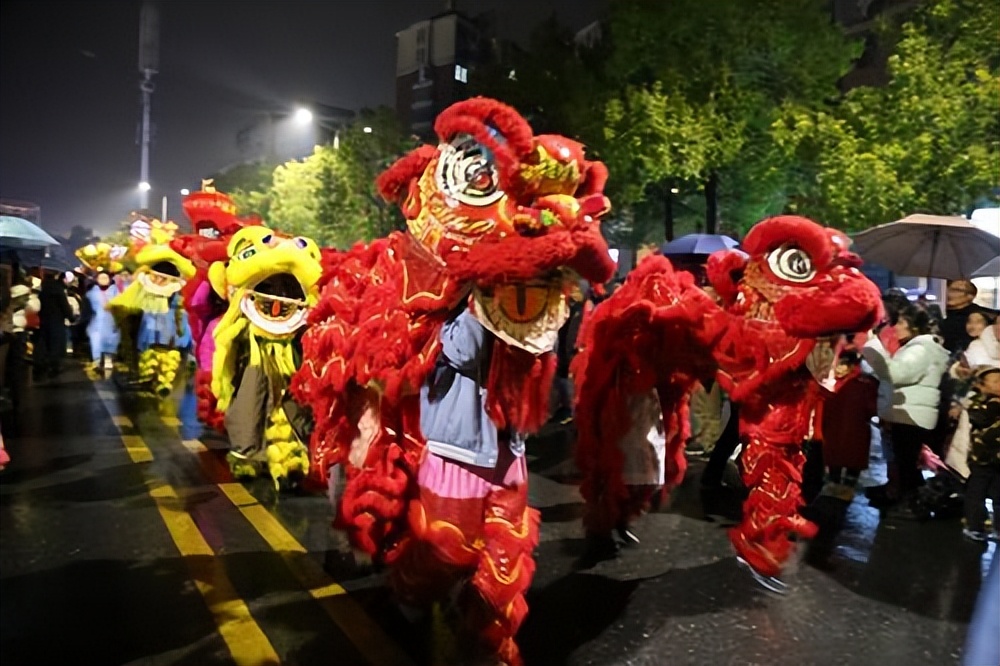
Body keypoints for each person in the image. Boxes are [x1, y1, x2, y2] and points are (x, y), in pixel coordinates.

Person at [862, 304, 949, 517]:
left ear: (915, 326)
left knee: (907, 465)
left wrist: (873, 344)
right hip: (906, 412)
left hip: (910, 415)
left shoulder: (920, 349)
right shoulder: (915, 347)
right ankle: (909, 502)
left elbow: (896, 374)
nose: (896, 327)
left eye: (901, 322)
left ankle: (913, 506)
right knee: (905, 463)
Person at [961, 366, 1000, 541]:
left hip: (993, 457)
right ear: (982, 386)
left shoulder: (991, 403)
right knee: (978, 491)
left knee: (994, 493)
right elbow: (977, 417)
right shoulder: (980, 402)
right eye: (996, 381)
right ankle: (976, 526)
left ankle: (991, 527)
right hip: (982, 456)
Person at [36, 270, 74, 379]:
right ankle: (54, 366)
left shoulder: (41, 288)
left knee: (43, 343)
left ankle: (42, 366)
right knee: (56, 344)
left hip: (42, 319)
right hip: (56, 320)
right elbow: (64, 306)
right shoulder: (58, 289)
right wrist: (71, 317)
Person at [84, 272, 120, 370]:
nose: (103, 280)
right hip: (96, 321)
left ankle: (108, 358)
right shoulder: (91, 293)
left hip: (111, 320)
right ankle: (97, 359)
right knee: (96, 340)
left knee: (111, 339)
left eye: (105, 277)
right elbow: (87, 307)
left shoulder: (115, 291)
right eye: (101, 278)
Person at [940, 280, 986, 354]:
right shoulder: (944, 312)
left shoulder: (974, 316)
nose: (949, 293)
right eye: (948, 289)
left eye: (956, 290)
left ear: (970, 296)